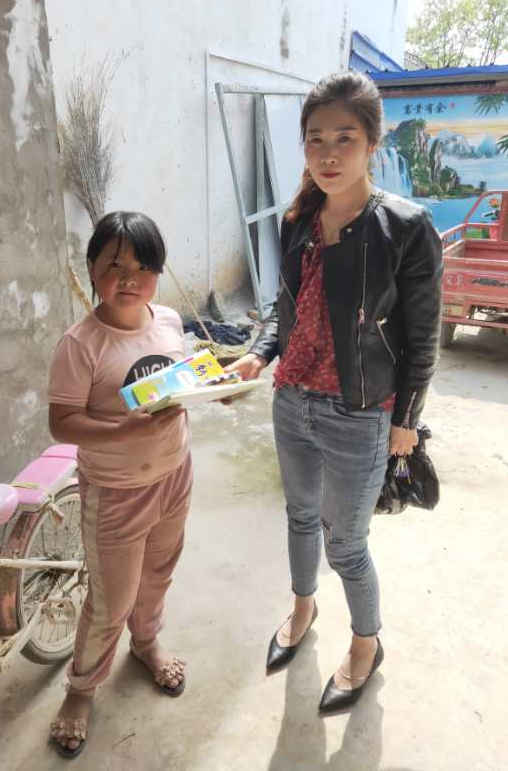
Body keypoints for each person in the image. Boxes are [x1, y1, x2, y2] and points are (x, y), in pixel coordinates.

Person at [227, 72, 443, 713]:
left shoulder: (406, 226)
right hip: (291, 399)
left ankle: (366, 645)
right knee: (298, 518)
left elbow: (423, 336)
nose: (328, 153)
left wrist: (406, 420)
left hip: (360, 411)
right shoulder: (298, 219)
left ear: (372, 142)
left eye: (344, 138)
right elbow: (285, 307)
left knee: (345, 543)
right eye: (315, 139)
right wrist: (259, 353)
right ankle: (303, 609)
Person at [47, 212, 191, 757]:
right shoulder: (81, 344)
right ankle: (80, 691)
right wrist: (122, 430)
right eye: (113, 265)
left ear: (158, 272)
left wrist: (213, 388)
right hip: (115, 492)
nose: (129, 278)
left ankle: (147, 643)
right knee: (111, 601)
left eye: (143, 267)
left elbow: (178, 386)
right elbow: (62, 423)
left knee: (158, 576)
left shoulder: (169, 321)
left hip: (175, 475)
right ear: (91, 269)